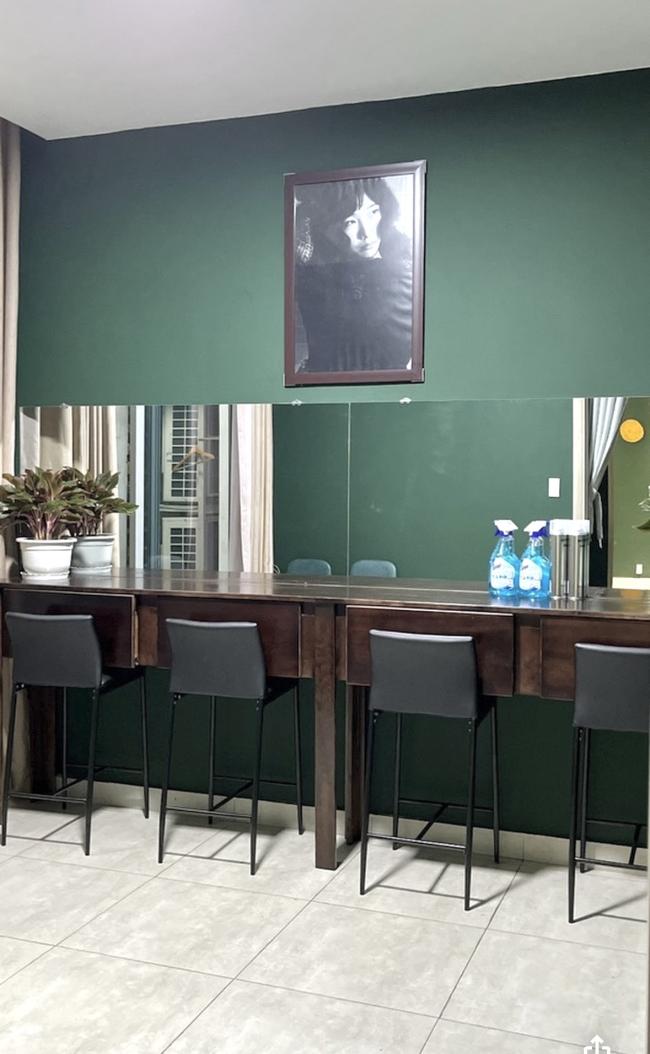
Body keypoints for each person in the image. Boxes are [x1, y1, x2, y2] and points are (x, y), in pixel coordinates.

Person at [294, 176, 414, 374]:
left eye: (374, 212)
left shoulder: (406, 259)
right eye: (350, 221)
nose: (367, 233)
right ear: (328, 228)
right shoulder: (314, 273)